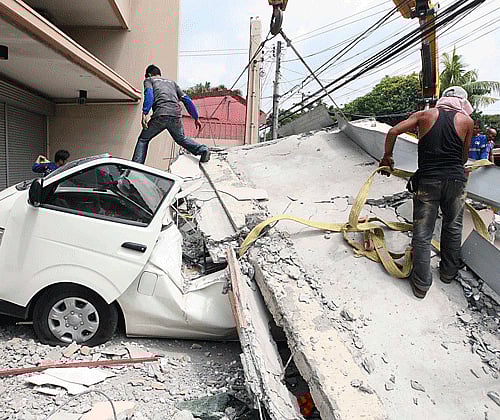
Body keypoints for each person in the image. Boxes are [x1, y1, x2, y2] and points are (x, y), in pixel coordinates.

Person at [379, 86, 474, 299]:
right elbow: (462, 158)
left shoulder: (424, 115)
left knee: (422, 233)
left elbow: (393, 131)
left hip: (428, 180)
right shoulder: (466, 121)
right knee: (453, 226)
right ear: (462, 103)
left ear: (443, 99)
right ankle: (448, 273)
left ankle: (421, 285)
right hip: (456, 180)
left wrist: (387, 156)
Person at [132, 65, 210, 165]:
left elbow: (149, 95)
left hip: (161, 115)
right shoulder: (172, 83)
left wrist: (145, 113)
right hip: (176, 116)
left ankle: (136, 167)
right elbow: (186, 100)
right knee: (181, 139)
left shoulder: (149, 80)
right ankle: (203, 150)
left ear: (149, 74)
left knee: (143, 139)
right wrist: (196, 117)